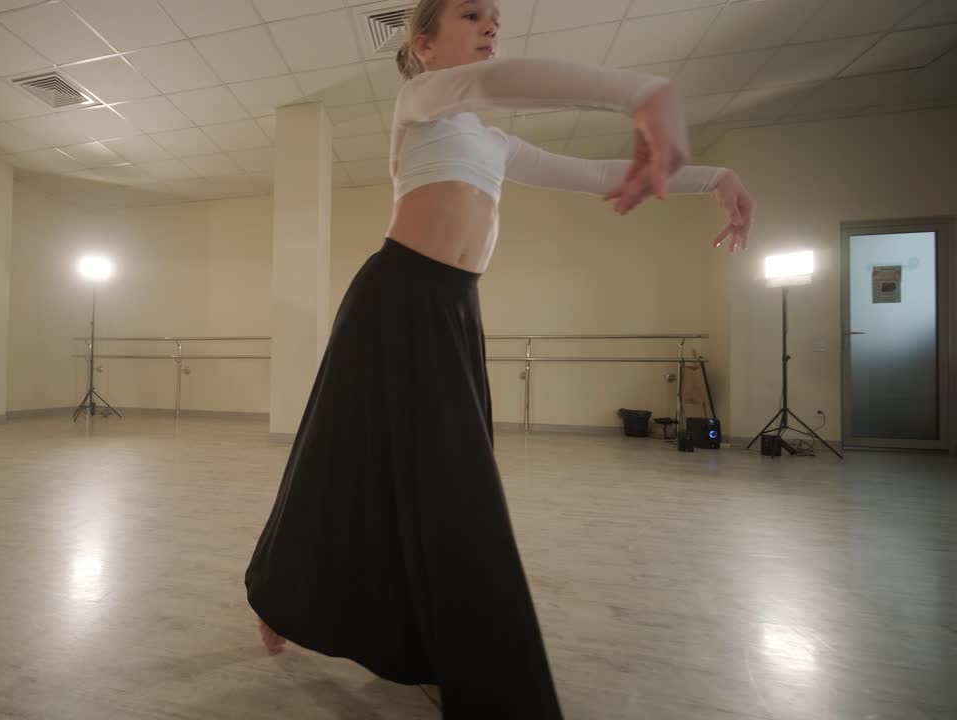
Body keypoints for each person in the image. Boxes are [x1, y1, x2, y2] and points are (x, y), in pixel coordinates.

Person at [243, 0, 754, 716]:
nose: (491, 26)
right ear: (422, 45)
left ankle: (430, 651)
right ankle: (283, 595)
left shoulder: (495, 143)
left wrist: (715, 177)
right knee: (347, 464)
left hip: (453, 310)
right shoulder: (421, 100)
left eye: (496, 19)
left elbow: (594, 172)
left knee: (437, 488)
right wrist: (639, 91)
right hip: (396, 299)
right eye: (471, 14)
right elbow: (500, 81)